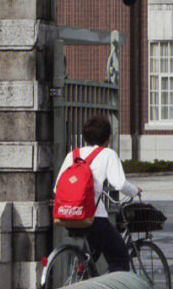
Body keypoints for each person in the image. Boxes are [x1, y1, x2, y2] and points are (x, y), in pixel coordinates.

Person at [53, 115, 139, 272]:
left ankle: (82, 276)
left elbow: (57, 187)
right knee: (119, 254)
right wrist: (135, 191)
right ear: (108, 137)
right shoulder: (108, 154)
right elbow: (119, 183)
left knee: (92, 253)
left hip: (68, 215)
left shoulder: (73, 154)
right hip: (93, 217)